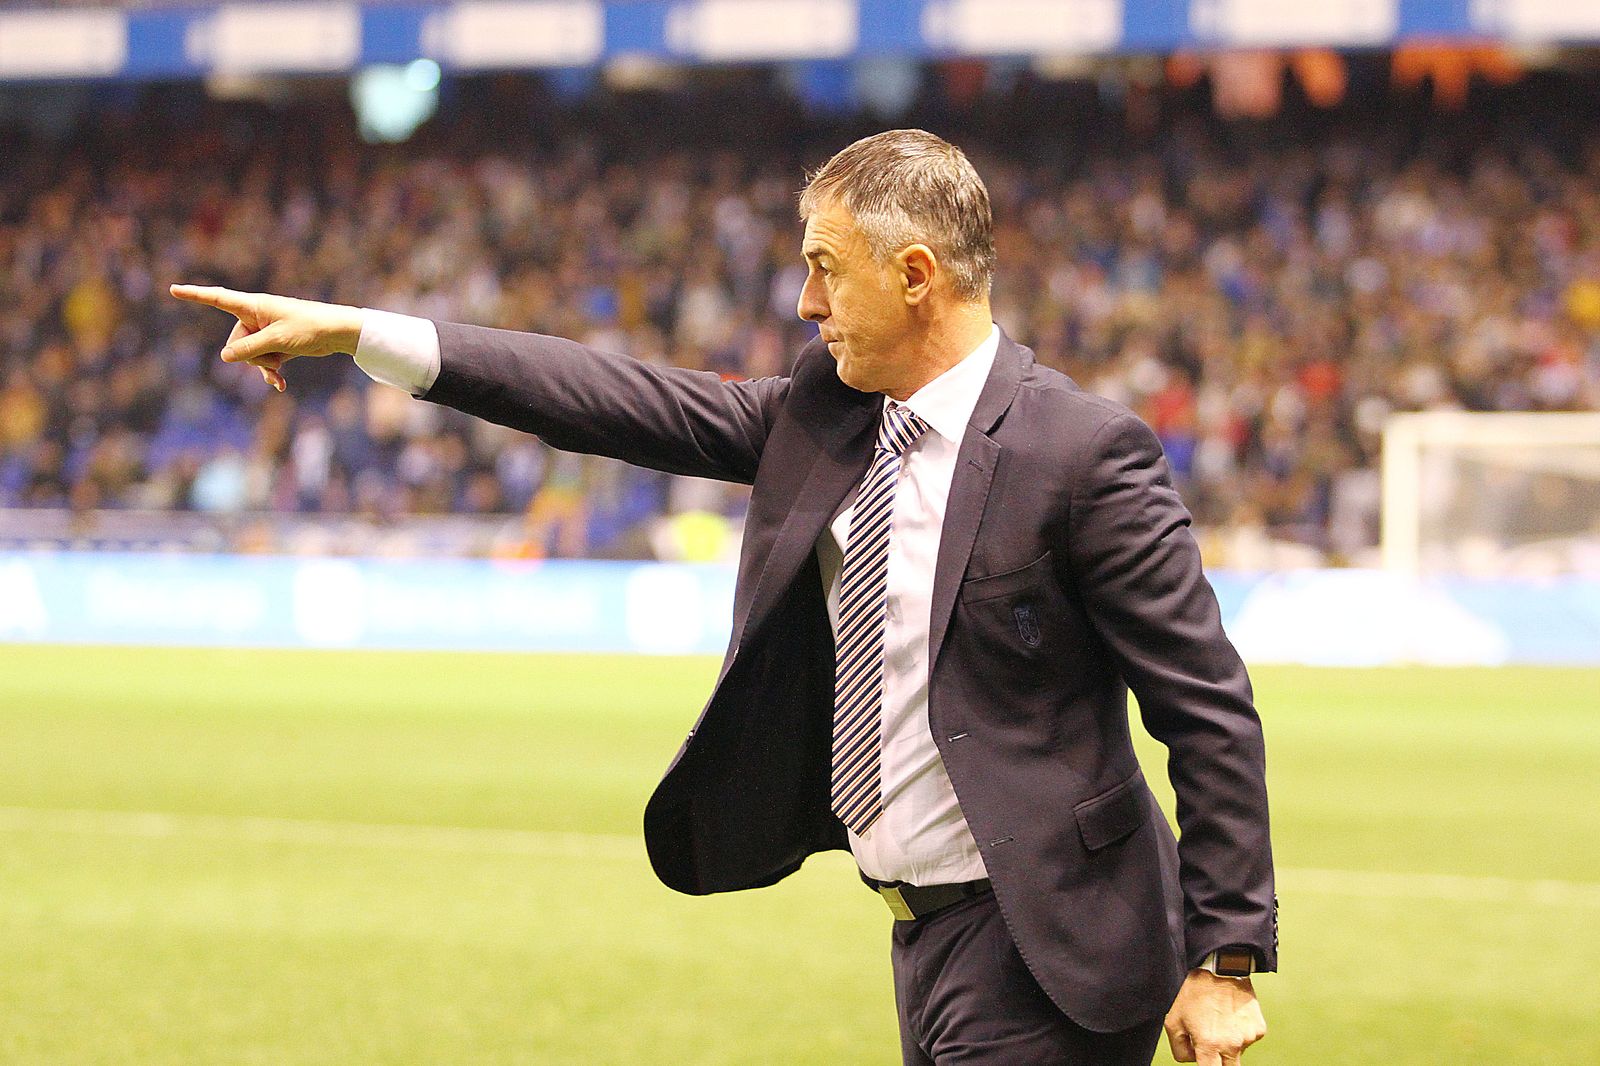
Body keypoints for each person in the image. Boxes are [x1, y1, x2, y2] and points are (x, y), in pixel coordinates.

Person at [172, 129, 1275, 1065]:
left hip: (1052, 943)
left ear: (915, 275)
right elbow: (611, 399)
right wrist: (364, 332)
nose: (804, 303)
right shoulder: (826, 416)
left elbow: (1204, 702)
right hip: (919, 935)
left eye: (824, 268)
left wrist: (1223, 958)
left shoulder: (1081, 453)